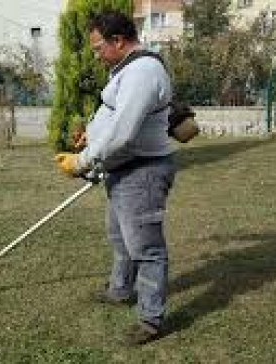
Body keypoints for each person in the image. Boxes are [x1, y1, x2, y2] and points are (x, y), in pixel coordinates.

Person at [54, 10, 177, 346]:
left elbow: (123, 133)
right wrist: (92, 136)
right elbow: (116, 117)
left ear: (118, 41)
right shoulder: (126, 69)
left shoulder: (143, 71)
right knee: (119, 237)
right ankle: (121, 290)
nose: (95, 55)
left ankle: (151, 320)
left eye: (98, 48)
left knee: (146, 248)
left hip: (143, 172)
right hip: (123, 170)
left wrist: (82, 161)